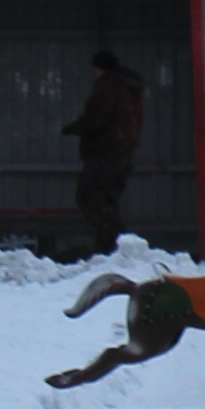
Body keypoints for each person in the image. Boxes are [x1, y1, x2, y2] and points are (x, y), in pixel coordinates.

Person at [66, 50, 145, 258]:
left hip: (105, 153)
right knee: (107, 200)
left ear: (100, 68)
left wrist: (74, 128)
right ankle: (115, 248)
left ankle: (115, 245)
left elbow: (96, 118)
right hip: (123, 153)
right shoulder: (129, 89)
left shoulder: (109, 87)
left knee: (90, 198)